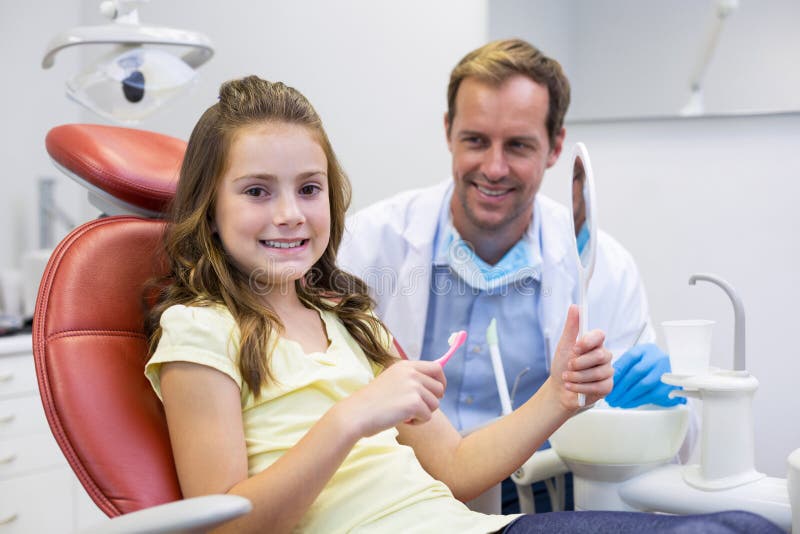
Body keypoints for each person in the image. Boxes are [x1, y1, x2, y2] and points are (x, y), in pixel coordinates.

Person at [142, 76, 778, 533]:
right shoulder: (200, 329)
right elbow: (221, 526)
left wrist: (559, 393)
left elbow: (457, 468)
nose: (289, 214)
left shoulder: (348, 319)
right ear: (210, 204)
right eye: (257, 190)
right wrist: (351, 417)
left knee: (743, 525)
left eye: (309, 188)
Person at [337, 39, 690, 510]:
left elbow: (650, 448)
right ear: (448, 132)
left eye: (519, 145)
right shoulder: (367, 246)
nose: (494, 167)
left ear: (555, 146)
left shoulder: (603, 267)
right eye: (476, 140)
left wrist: (666, 402)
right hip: (397, 504)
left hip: (544, 504)